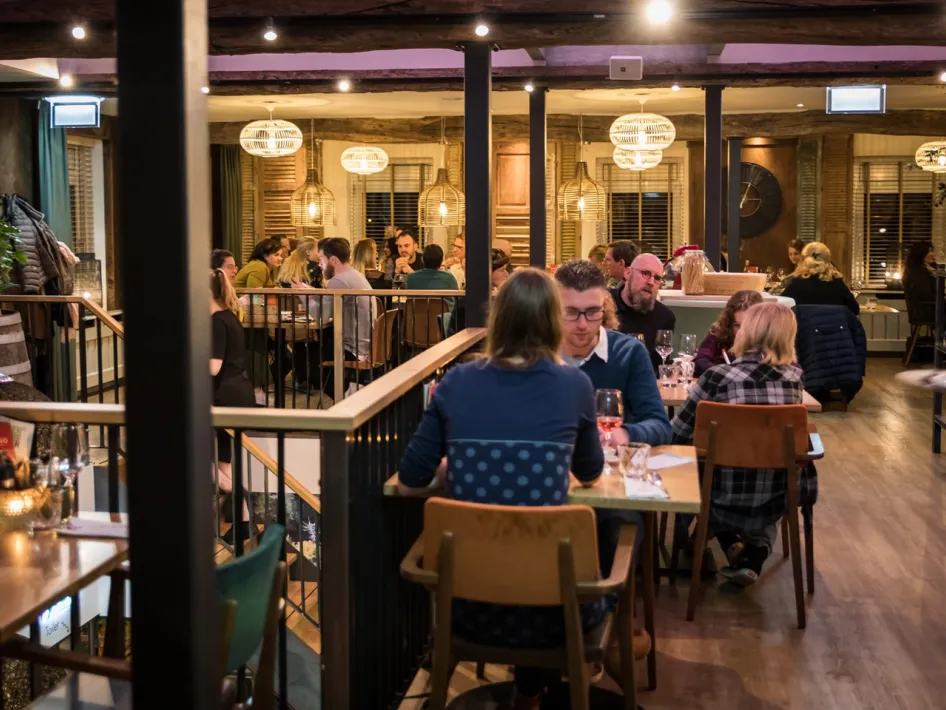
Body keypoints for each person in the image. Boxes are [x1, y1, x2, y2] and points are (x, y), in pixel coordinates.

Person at [398, 269, 605, 707]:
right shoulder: (574, 384)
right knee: (579, 561)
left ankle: (525, 692)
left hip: (465, 608)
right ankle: (532, 691)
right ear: (553, 321)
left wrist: (455, 465)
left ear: (498, 319)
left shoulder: (456, 382)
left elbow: (413, 476)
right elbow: (589, 471)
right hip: (555, 614)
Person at [671, 302, 813, 587]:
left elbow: (678, 431)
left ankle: (703, 538)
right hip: (776, 495)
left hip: (719, 492)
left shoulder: (716, 378)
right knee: (765, 470)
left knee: (692, 462)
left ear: (745, 332)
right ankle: (753, 550)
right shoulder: (795, 380)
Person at [555, 259, 671, 447]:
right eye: (571, 312)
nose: (583, 324)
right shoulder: (536, 352)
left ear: (604, 306)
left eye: (592, 312)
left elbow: (660, 426)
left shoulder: (628, 353)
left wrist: (625, 433)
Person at [291, 238, 377, 397]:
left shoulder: (337, 281)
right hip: (366, 343)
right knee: (315, 348)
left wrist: (301, 294)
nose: (320, 264)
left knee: (307, 360)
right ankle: (349, 391)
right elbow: (328, 301)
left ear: (333, 260)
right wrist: (307, 289)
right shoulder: (353, 275)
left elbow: (321, 316)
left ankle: (345, 398)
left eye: (322, 259)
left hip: (352, 348)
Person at [210, 269, 255, 541]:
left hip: (223, 397)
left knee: (203, 456)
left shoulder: (216, 321)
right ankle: (245, 523)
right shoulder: (230, 317)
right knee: (224, 461)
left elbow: (213, 367)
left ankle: (239, 496)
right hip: (238, 393)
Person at [610, 253, 676, 371]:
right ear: (628, 273)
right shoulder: (604, 304)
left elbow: (659, 369)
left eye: (657, 278)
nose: (651, 282)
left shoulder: (664, 317)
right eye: (645, 273)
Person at [694, 290, 765, 376]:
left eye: (748, 326)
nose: (741, 332)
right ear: (729, 323)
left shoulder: (768, 340)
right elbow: (700, 361)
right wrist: (725, 374)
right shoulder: (719, 333)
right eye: (737, 325)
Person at [780, 241, 859, 315]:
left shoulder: (796, 284)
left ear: (804, 260)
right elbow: (855, 309)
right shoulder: (837, 283)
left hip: (805, 329)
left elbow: (779, 308)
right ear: (827, 260)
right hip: (834, 329)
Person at [902, 240, 937, 321]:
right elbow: (926, 295)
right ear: (920, 255)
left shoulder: (925, 270)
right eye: (929, 252)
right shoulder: (918, 272)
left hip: (929, 309)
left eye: (932, 251)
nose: (932, 254)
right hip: (927, 311)